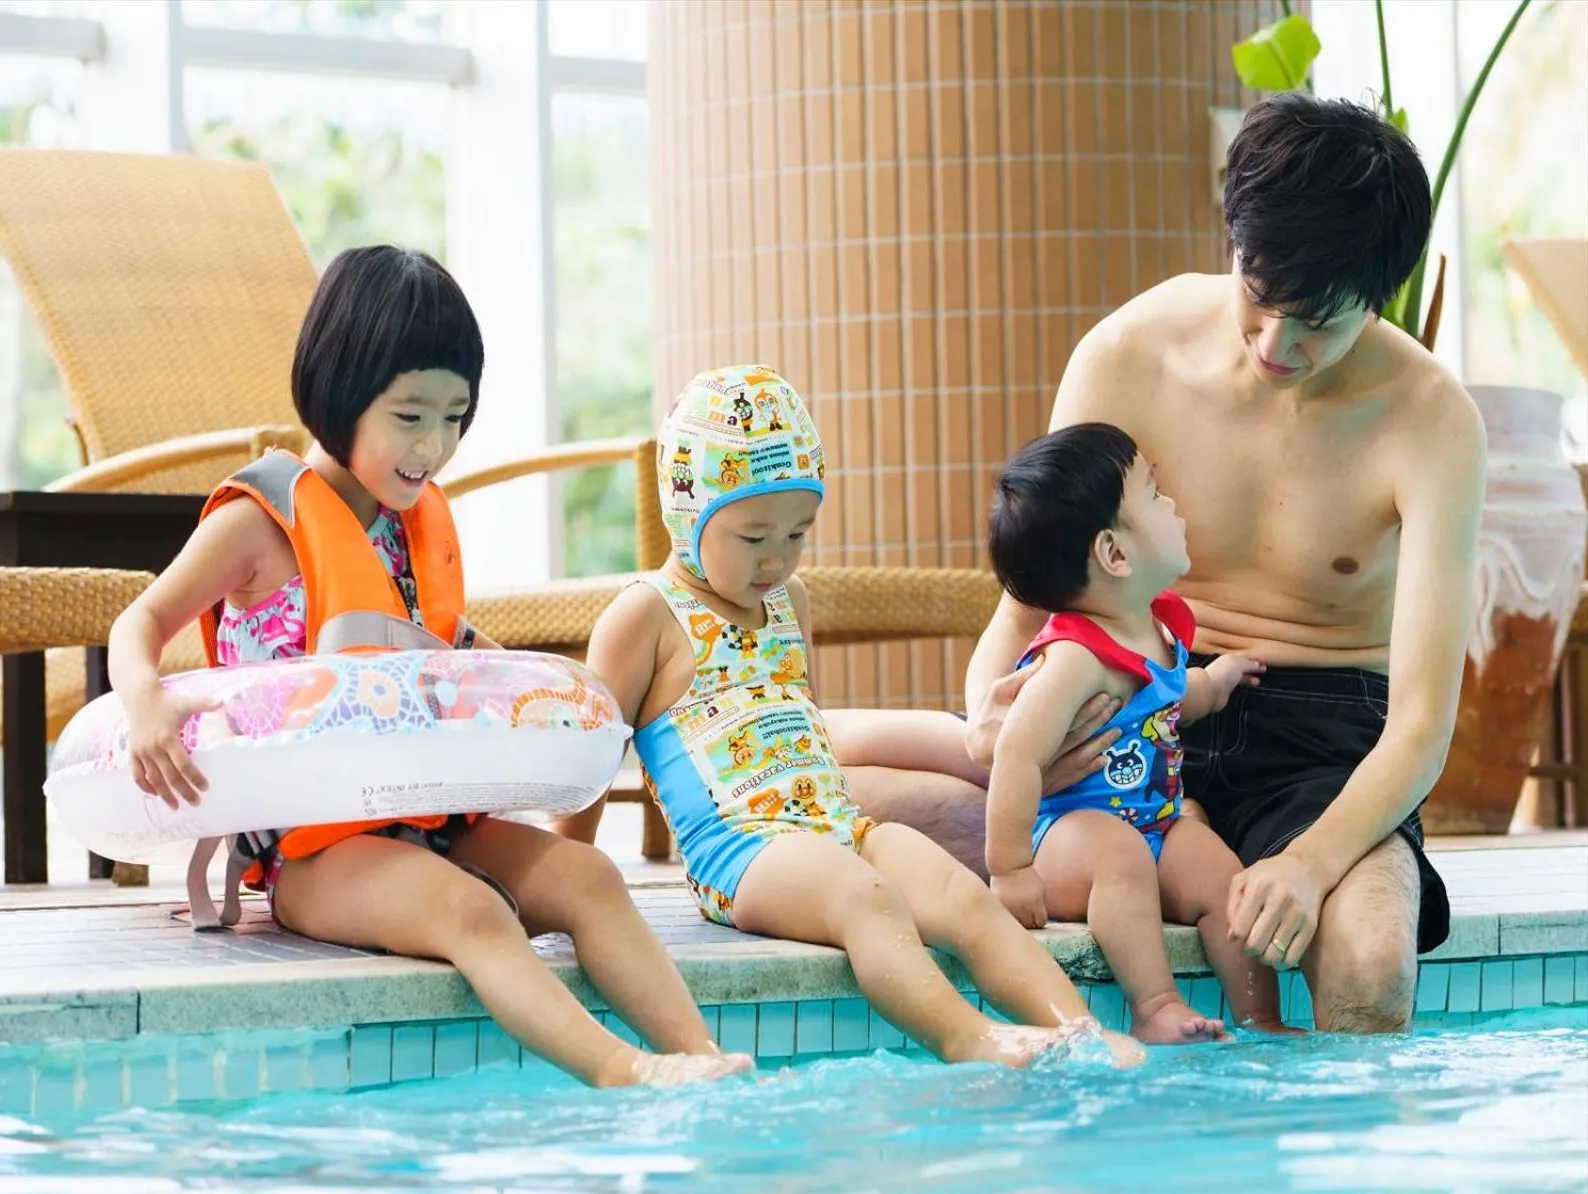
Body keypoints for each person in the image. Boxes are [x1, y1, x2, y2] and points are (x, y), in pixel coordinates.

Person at [829, 92, 1483, 1035]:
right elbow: (1028, 605)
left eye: (1317, 323)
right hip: (1124, 706)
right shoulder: (1131, 353)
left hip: (1318, 745)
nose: (1274, 345)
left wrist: (1311, 861)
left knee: (1372, 959)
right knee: (841, 797)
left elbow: (1422, 720)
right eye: (1259, 296)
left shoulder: (1430, 422)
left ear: (1377, 296)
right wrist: (994, 717)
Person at [107, 246, 753, 1088]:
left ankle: (704, 1060)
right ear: (340, 392)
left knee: (590, 876)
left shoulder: (408, 529)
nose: (435, 446)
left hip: (428, 820)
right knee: (471, 911)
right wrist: (147, 703)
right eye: (411, 416)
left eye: (455, 417)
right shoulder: (258, 525)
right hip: (312, 855)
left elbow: (426, 651)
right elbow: (140, 621)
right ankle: (627, 1072)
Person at [587, 364, 1142, 1069]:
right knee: (867, 898)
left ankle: (1079, 1032)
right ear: (686, 512)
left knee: (957, 892)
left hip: (833, 823)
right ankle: (969, 1037)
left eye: (798, 533)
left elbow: (803, 723)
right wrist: (576, 862)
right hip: (743, 851)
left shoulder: (792, 604)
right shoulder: (646, 615)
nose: (778, 559)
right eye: (754, 537)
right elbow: (593, 755)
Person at [985, 423, 1295, 1042]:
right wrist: (1011, 867)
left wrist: (1220, 679)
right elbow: (1016, 755)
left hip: (1153, 823)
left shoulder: (1154, 629)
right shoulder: (1074, 659)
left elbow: (1177, 698)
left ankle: (1262, 1019)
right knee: (1121, 858)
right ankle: (1155, 1006)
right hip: (1069, 839)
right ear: (1115, 554)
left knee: (1217, 868)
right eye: (1153, 494)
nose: (1171, 503)